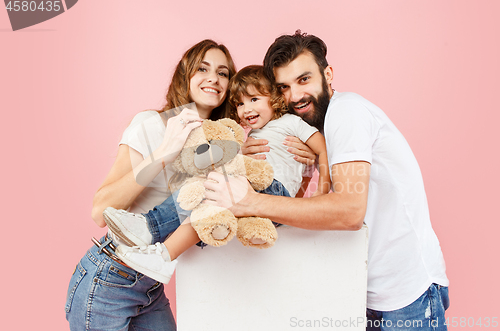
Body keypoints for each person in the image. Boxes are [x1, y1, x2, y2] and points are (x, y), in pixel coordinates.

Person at [203, 31, 450, 331]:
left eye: (304, 80)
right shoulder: (317, 129)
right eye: (284, 87)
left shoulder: (347, 112)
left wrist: (252, 202)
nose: (294, 96)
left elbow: (348, 211)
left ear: (328, 74)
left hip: (404, 299)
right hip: (363, 293)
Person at [103, 64, 331, 283]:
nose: (247, 109)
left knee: (208, 183)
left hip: (272, 193)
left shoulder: (290, 122)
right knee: (206, 209)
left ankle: (149, 226)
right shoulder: (253, 133)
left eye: (254, 99)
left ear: (276, 98)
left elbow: (321, 148)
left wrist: (322, 190)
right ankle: (163, 256)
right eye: (240, 104)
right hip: (263, 193)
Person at [65, 39, 236, 331]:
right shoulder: (152, 124)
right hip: (111, 276)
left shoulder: (223, 144)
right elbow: (100, 211)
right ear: (186, 75)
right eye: (203, 68)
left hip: (151, 286)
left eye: (223, 73)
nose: (214, 78)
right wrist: (163, 154)